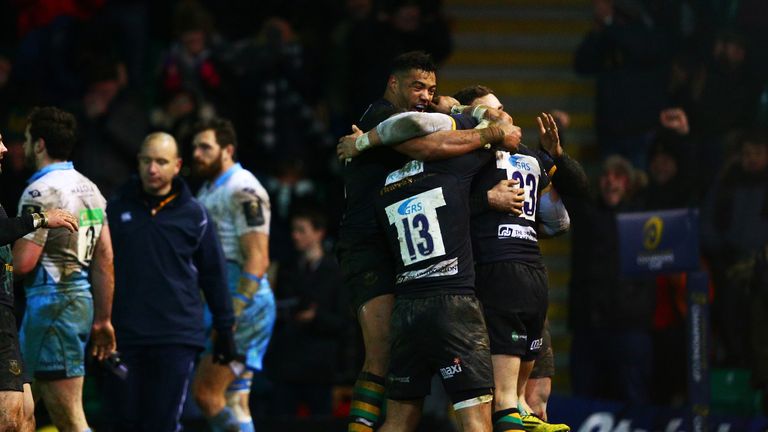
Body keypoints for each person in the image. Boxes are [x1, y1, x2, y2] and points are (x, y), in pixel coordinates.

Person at [337, 51, 524, 432]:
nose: (425, 96)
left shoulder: (414, 127)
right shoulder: (382, 116)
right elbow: (428, 147)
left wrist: (457, 110)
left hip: (405, 263)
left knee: (401, 399)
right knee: (380, 353)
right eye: (417, 87)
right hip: (369, 246)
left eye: (431, 89)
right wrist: (488, 131)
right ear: (393, 84)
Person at [455, 86, 575, 432]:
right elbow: (444, 211)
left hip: (531, 275)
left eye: (502, 107)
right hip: (492, 277)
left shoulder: (527, 157)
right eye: (490, 111)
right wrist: (486, 200)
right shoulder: (466, 160)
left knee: (529, 402)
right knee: (496, 400)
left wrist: (557, 159)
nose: (502, 115)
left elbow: (561, 222)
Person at [103, 132, 237, 431]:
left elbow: (213, 274)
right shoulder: (116, 208)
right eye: (147, 161)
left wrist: (225, 327)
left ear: (177, 165)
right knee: (122, 422)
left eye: (161, 162)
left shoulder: (195, 214)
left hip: (176, 336)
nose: (153, 169)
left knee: (162, 423)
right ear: (138, 162)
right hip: (125, 335)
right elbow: (99, 268)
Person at [12, 106, 116, 431]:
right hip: (78, 303)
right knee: (18, 412)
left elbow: (23, 263)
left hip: (52, 308)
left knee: (69, 418)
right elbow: (105, 260)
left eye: (27, 139)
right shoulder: (92, 189)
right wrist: (103, 319)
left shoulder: (40, 192)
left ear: (40, 144)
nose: (24, 146)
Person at [190, 118, 275, 432]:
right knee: (234, 400)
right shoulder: (210, 188)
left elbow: (258, 258)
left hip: (242, 307)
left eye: (205, 147)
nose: (196, 154)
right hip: (226, 303)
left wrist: (233, 314)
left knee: (206, 394)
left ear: (227, 150)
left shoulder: (243, 188)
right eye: (195, 147)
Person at [0, 131, 78, 432]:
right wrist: (40, 218)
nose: (5, 149)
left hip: (7, 320)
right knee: (9, 420)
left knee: (26, 418)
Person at [265, 206, 348, 418]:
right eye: (294, 230)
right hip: (287, 363)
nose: (295, 235)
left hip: (320, 367)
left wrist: (316, 317)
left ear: (319, 232)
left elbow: (344, 321)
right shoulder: (286, 269)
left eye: (301, 230)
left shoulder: (336, 272)